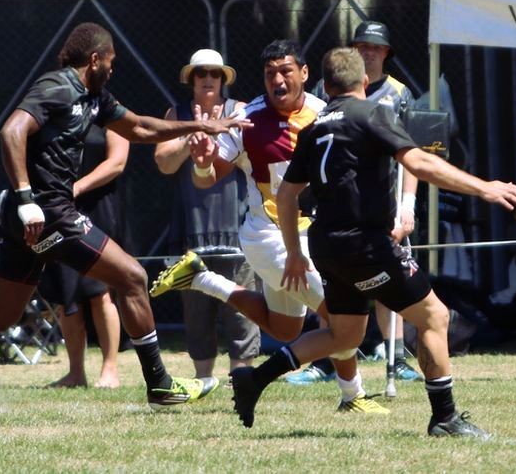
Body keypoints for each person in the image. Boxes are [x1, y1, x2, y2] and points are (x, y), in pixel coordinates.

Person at [0, 23, 251, 408]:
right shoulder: (57, 86)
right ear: (95, 59)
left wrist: (201, 125)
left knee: (0, 314)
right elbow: (12, 132)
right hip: (46, 211)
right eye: (111, 62)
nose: (114, 69)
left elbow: (141, 128)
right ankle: (161, 384)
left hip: (37, 218)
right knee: (133, 277)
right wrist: (28, 198)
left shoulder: (96, 97)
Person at [229, 46, 516, 437]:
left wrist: (296, 253)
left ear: (326, 85)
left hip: (325, 245)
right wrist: (484, 187)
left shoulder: (314, 127)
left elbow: (286, 195)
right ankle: (445, 418)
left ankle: (255, 379)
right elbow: (419, 163)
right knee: (434, 316)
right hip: (364, 244)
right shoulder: (371, 114)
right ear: (365, 81)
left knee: (344, 334)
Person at [151, 40, 387, 414]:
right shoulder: (248, 120)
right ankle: (351, 394)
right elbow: (207, 178)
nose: (277, 80)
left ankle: (200, 278)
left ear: (304, 74)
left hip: (315, 234)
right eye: (270, 73)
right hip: (269, 237)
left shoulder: (323, 113)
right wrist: (200, 162)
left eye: (285, 71)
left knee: (285, 329)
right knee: (338, 318)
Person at [292, 20, 421, 384]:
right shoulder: (326, 88)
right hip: (339, 202)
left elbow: (414, 153)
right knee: (333, 282)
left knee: (389, 277)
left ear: (385, 54)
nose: (368, 52)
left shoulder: (399, 93)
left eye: (376, 48)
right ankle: (326, 362)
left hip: (384, 198)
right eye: (362, 46)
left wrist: (407, 205)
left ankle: (394, 355)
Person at [154, 49, 260, 383]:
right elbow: (163, 162)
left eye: (215, 73)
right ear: (192, 79)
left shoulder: (239, 110)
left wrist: (217, 130)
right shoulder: (178, 113)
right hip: (194, 232)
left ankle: (241, 382)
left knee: (242, 312)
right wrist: (191, 136)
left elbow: (248, 151)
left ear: (223, 79)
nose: (209, 79)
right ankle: (203, 382)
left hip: (237, 229)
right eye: (202, 73)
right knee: (197, 317)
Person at [40, 125, 128, 389]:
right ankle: (75, 373)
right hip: (61, 206)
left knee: (99, 292)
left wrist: (78, 187)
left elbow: (117, 162)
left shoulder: (111, 113)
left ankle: (109, 370)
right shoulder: (58, 111)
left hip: (99, 207)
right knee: (69, 296)